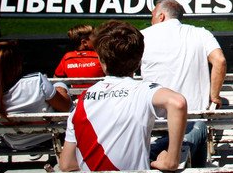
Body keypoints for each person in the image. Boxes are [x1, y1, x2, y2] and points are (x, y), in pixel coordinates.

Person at [59, 20, 188, 172]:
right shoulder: (143, 90)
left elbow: (66, 165)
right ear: (139, 60)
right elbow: (177, 103)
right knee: (196, 131)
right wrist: (171, 160)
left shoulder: (81, 102)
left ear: (101, 59)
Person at [141, 0, 227, 168]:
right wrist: (214, 96)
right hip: (192, 118)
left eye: (152, 15)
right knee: (199, 131)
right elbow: (220, 60)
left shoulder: (142, 35)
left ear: (161, 16)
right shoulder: (201, 33)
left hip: (152, 120)